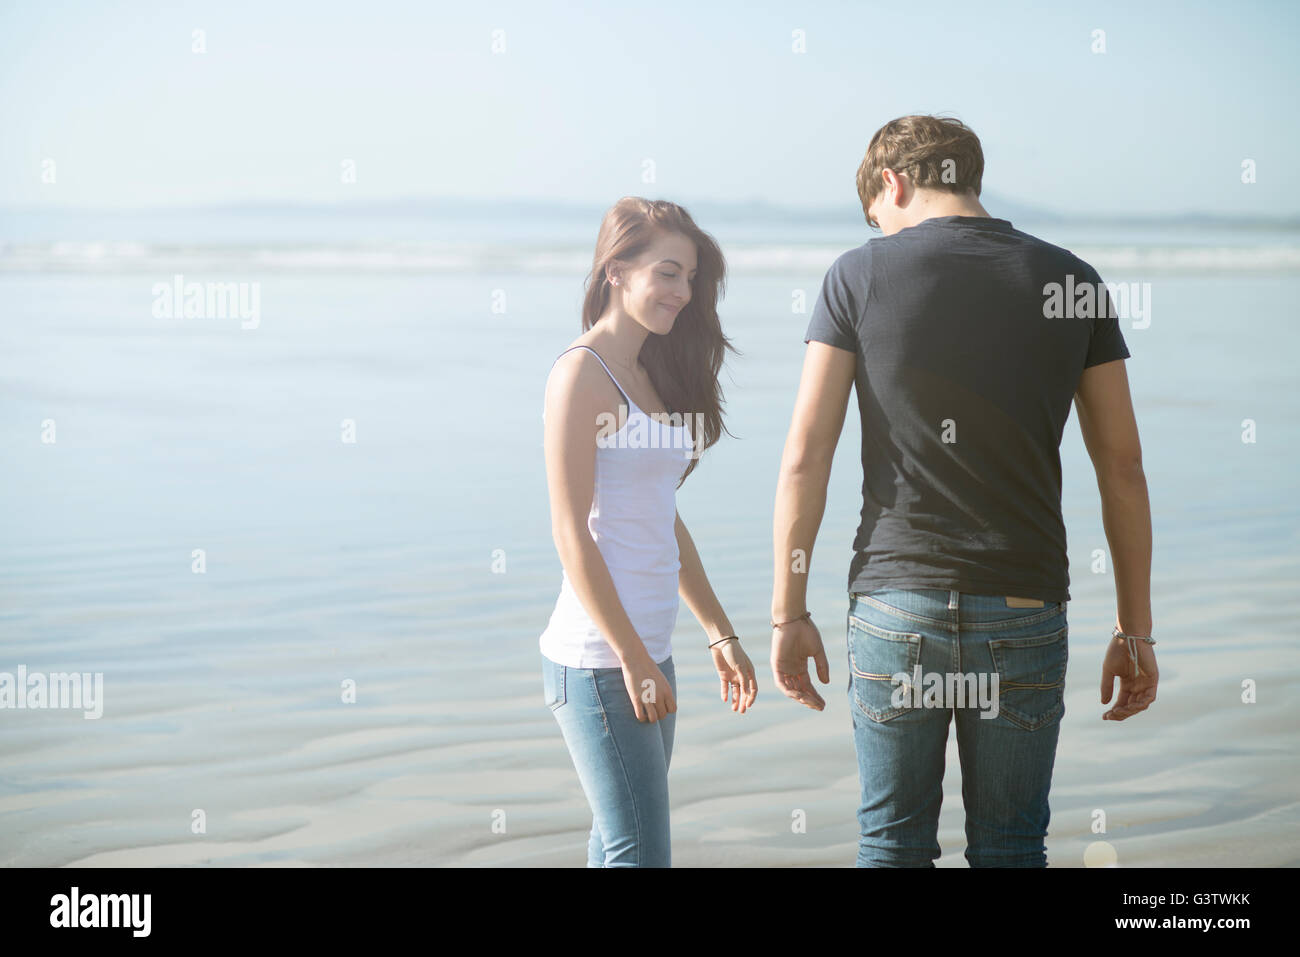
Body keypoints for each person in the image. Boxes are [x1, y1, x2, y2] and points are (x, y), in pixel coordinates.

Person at [769, 115, 1157, 867]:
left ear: (893, 181)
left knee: (892, 843)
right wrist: (1134, 631)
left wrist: (788, 611)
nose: (880, 233)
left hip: (893, 604)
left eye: (877, 218)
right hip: (1022, 602)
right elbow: (1124, 466)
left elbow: (803, 457)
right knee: (1012, 846)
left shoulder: (858, 276)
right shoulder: (1072, 280)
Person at [539, 196, 758, 867]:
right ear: (616, 269)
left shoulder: (649, 374)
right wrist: (631, 657)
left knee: (616, 847)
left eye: (690, 278)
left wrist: (718, 631)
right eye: (668, 273)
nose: (683, 293)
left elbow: (663, 518)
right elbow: (570, 533)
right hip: (601, 659)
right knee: (641, 854)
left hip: (646, 651)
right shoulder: (583, 374)